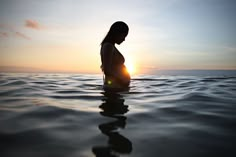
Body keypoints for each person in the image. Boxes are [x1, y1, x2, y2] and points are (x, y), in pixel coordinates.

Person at [100, 21, 130, 89]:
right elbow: (107, 71)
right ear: (117, 33)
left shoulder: (110, 46)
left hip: (116, 87)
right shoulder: (108, 46)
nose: (124, 39)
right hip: (114, 87)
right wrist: (122, 80)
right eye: (124, 36)